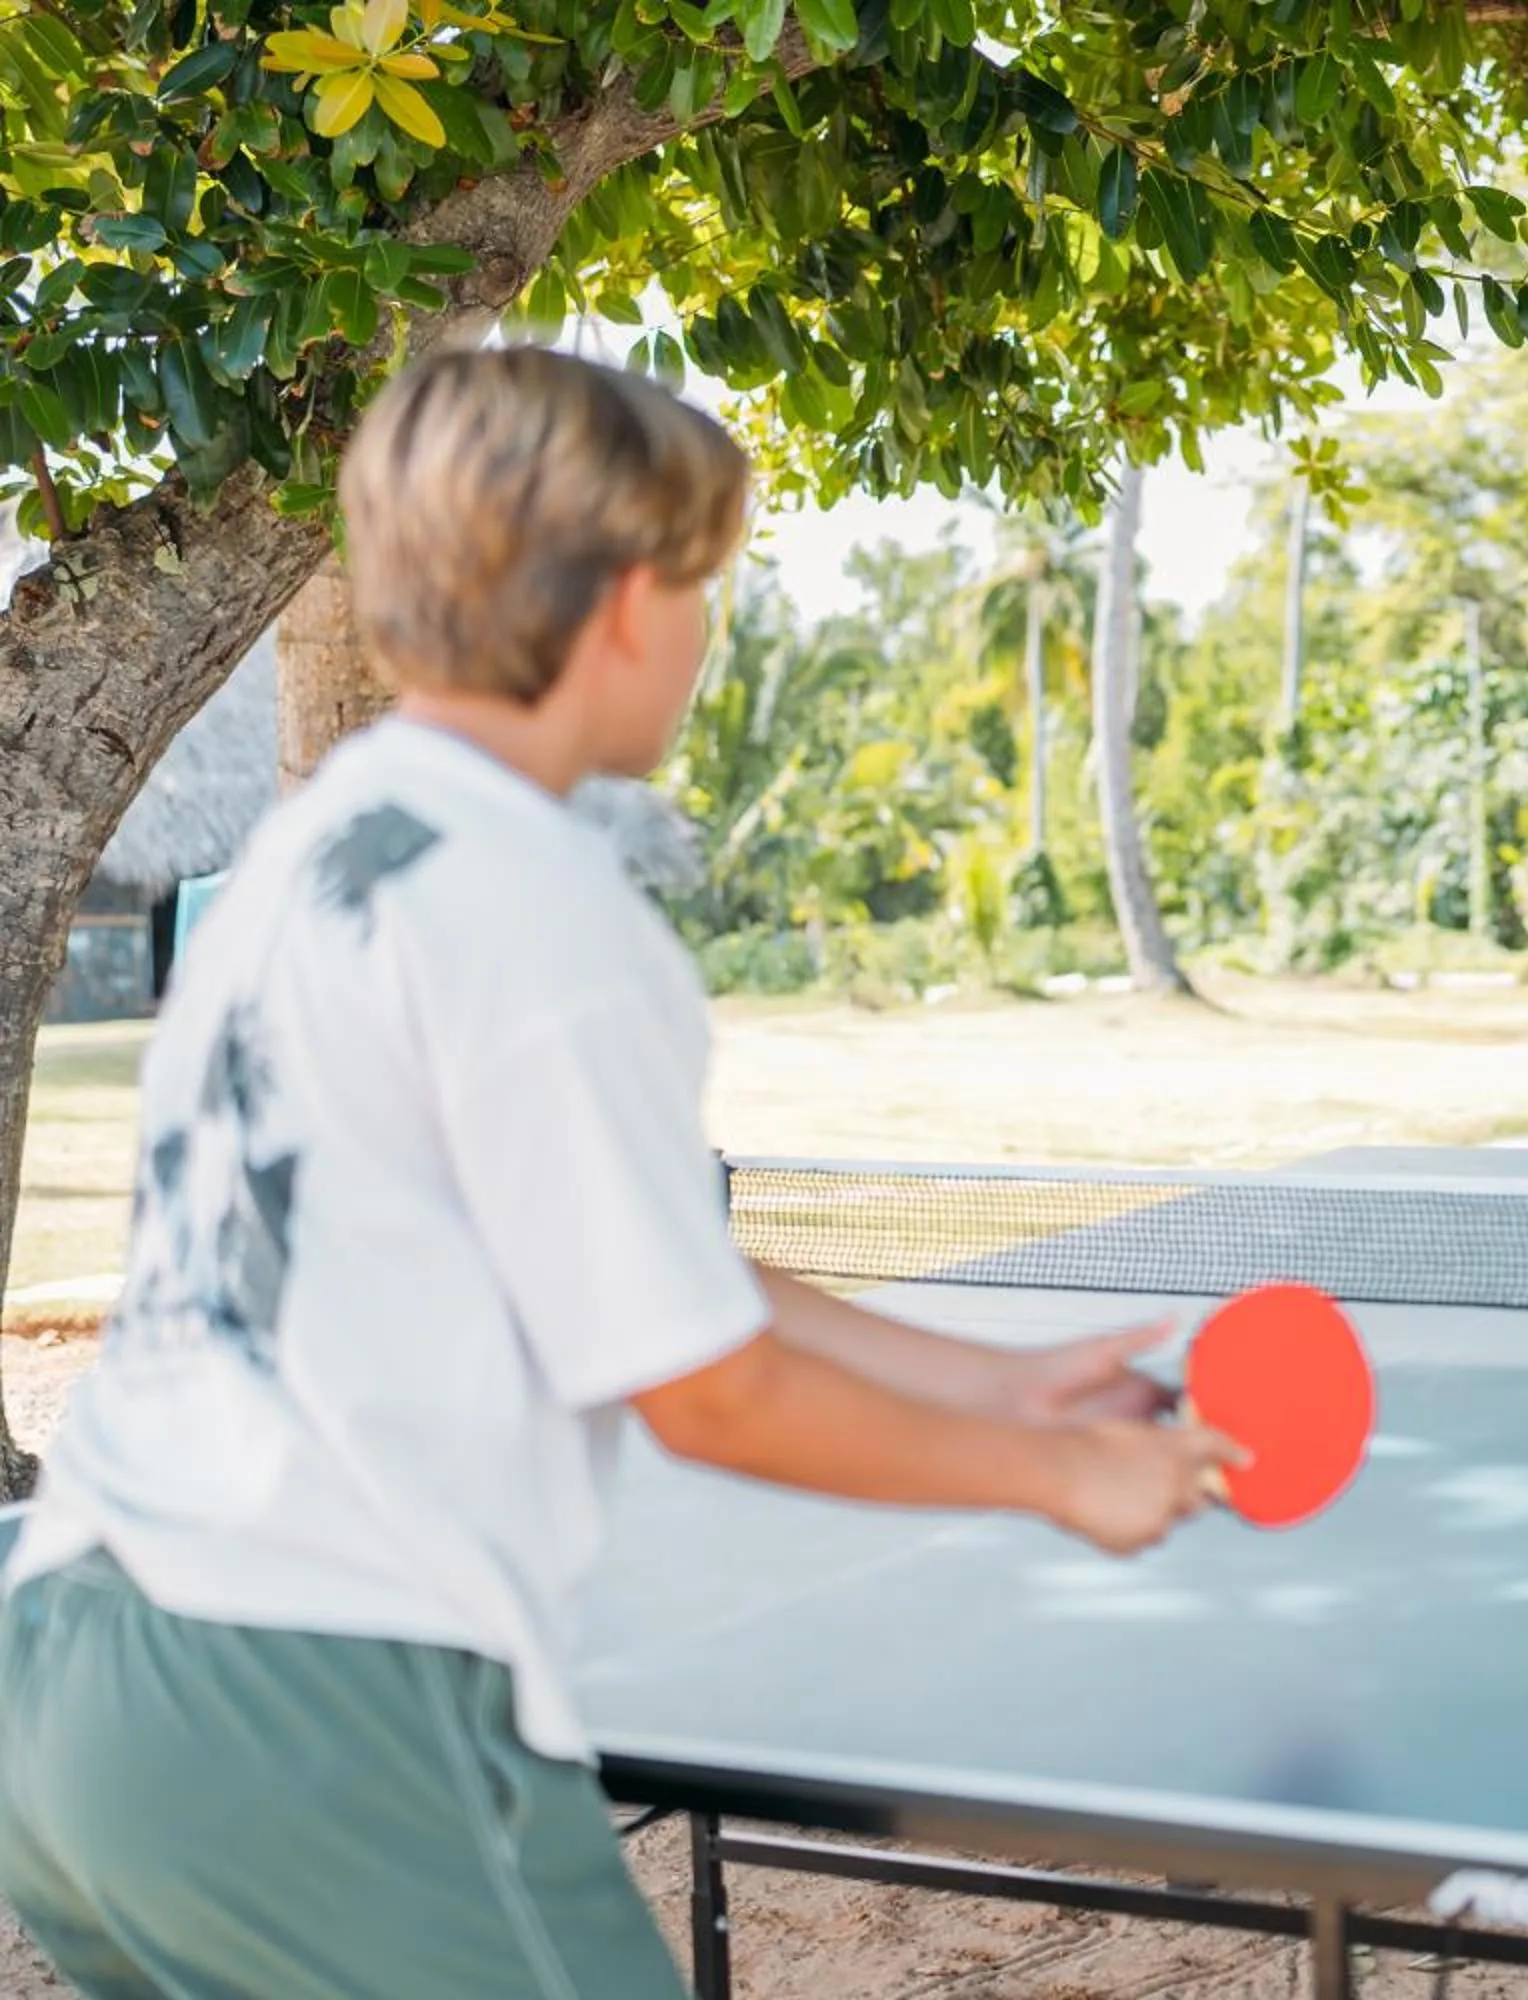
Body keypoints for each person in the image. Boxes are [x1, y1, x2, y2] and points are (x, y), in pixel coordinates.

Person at [0, 348, 1241, 1998]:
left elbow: (639, 1264)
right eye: (705, 587)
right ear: (630, 606)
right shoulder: (543, 907)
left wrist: (999, 1386)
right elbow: (704, 1394)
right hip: (318, 1700)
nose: (709, 632)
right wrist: (1061, 1482)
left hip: (83, 1677)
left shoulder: (320, 850)